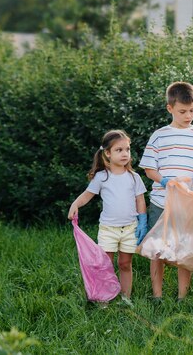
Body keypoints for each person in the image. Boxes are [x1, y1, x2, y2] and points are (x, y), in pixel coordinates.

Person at [139, 81, 193, 301]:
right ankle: (157, 295)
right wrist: (163, 180)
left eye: (192, 110)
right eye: (182, 111)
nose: (188, 115)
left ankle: (182, 296)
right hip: (162, 201)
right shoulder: (160, 136)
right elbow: (149, 167)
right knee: (157, 250)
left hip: (188, 204)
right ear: (169, 108)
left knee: (185, 250)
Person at [68, 129, 147, 303]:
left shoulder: (134, 178)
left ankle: (126, 298)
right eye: (119, 150)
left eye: (127, 149)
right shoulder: (102, 177)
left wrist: (143, 221)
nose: (125, 153)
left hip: (130, 228)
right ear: (108, 153)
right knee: (105, 265)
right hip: (108, 229)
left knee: (125, 264)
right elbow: (87, 195)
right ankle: (104, 298)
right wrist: (75, 204)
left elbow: (140, 200)